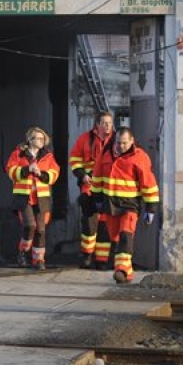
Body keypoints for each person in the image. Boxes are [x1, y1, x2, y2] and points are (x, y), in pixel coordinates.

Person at [97, 127, 159, 284]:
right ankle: (126, 271)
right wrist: (94, 199)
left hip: (130, 205)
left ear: (132, 141)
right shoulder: (106, 153)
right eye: (118, 142)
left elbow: (148, 183)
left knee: (126, 235)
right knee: (116, 238)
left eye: (124, 143)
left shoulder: (140, 157)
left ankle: (122, 270)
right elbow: (97, 177)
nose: (121, 146)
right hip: (110, 204)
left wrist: (151, 207)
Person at [6, 126, 60, 270]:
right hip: (24, 198)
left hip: (41, 198)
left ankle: (38, 260)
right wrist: (26, 170)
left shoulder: (48, 156)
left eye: (43, 138)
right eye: (38, 138)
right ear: (30, 139)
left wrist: (41, 174)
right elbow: (10, 170)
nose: (42, 141)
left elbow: (54, 173)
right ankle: (23, 252)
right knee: (30, 225)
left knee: (41, 230)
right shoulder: (19, 154)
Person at [69, 111, 114, 269]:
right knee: (89, 223)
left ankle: (101, 260)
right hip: (89, 187)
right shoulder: (85, 139)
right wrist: (82, 175)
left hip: (108, 188)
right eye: (104, 123)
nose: (108, 125)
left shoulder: (116, 140)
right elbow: (74, 159)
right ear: (97, 125)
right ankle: (87, 255)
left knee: (105, 224)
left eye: (110, 122)